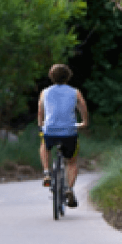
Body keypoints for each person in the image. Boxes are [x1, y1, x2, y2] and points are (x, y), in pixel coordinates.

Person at [38, 64, 89, 208]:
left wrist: (41, 124)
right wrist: (84, 122)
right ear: (68, 76)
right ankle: (69, 189)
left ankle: (47, 172)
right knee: (72, 161)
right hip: (69, 131)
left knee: (45, 145)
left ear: (51, 77)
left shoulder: (45, 92)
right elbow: (83, 106)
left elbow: (40, 111)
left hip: (50, 130)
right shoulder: (75, 92)